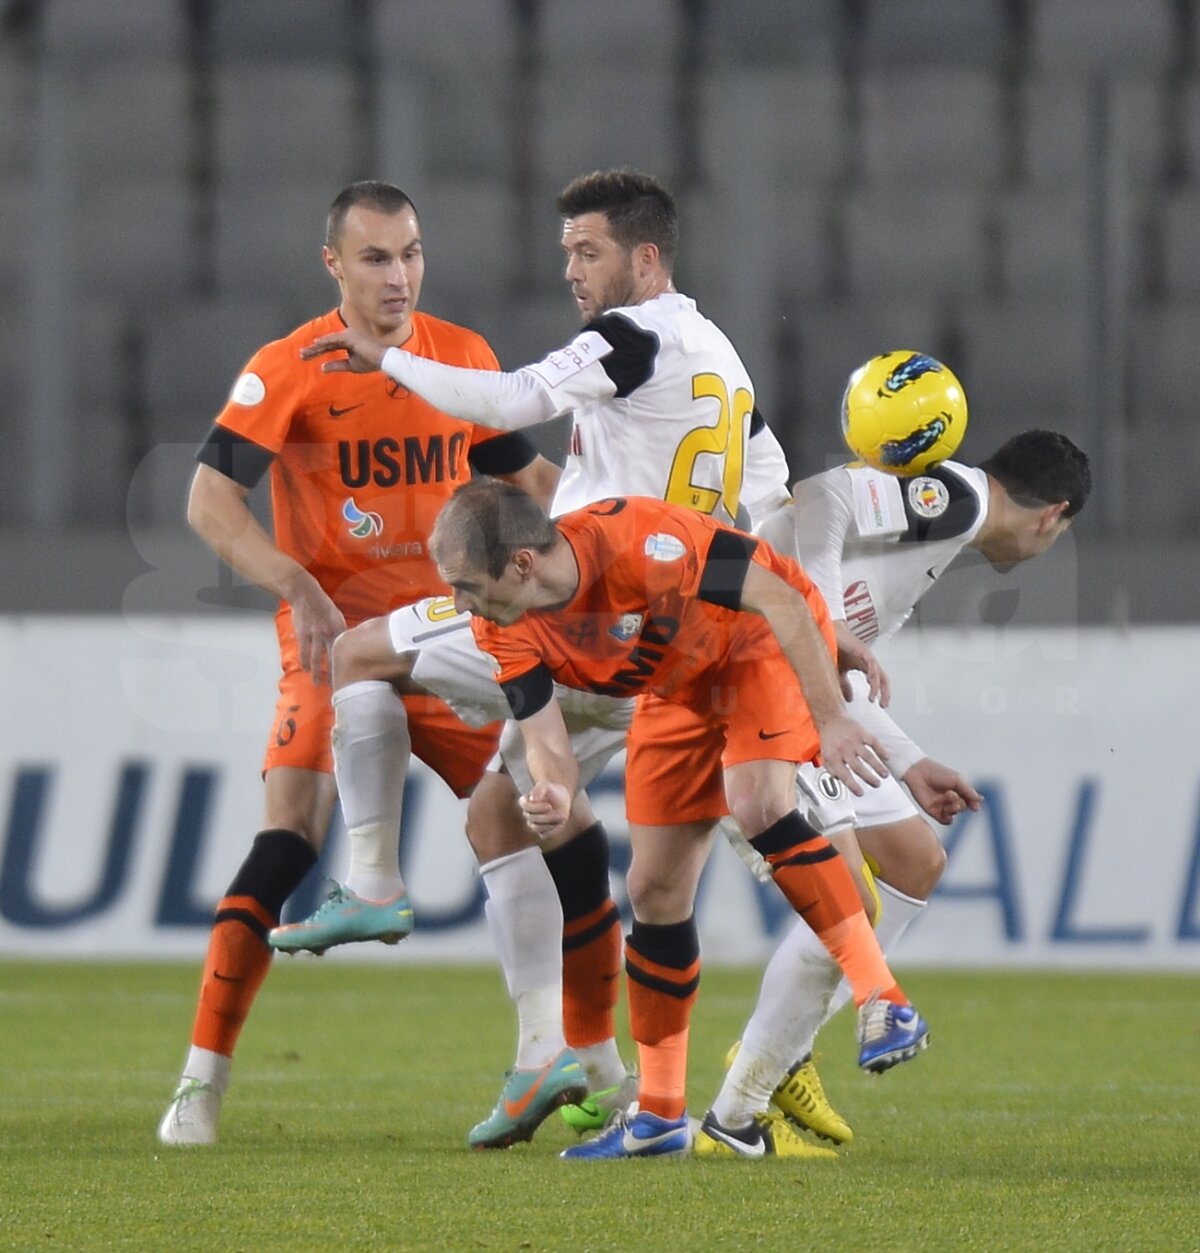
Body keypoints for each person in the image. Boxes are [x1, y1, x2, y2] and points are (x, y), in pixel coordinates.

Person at [274, 169, 805, 1150]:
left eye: (588, 249)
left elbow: (513, 391)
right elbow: (762, 498)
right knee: (503, 819)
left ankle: (376, 880)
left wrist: (389, 361)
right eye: (565, 248)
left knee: (352, 653)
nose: (570, 266)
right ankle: (560, 1060)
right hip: (659, 643)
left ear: (646, 258)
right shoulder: (722, 363)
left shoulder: (629, 336)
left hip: (574, 618)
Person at [156, 181, 559, 1147]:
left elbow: (536, 487)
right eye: (376, 258)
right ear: (333, 264)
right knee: (286, 836)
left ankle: (558, 1056)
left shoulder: (462, 357)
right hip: (338, 647)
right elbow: (210, 502)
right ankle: (198, 1084)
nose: (399, 275)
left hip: (453, 638)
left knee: (540, 824)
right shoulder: (288, 367)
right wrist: (297, 585)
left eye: (412, 253)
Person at [426, 477, 932, 1161]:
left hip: (757, 645)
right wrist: (550, 789)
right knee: (654, 890)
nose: (459, 603)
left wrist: (832, 715)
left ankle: (884, 999)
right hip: (677, 688)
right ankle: (661, 1117)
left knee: (757, 801)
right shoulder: (500, 624)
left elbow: (778, 596)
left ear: (521, 564)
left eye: (464, 584)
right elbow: (547, 742)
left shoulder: (641, 542)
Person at [709, 429, 1092, 1145]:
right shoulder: (959, 497)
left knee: (916, 857)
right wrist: (816, 612)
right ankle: (739, 1108)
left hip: (804, 692)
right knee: (845, 894)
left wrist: (910, 762)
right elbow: (822, 494)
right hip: (750, 686)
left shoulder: (940, 537)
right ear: (1052, 516)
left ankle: (783, 1047)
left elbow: (841, 670)